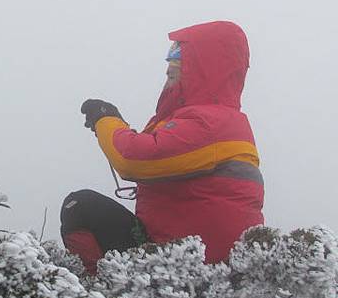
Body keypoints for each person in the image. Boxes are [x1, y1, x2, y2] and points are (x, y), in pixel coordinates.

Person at [61, 21, 264, 274]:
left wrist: (106, 120)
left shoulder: (211, 122)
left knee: (80, 207)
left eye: (179, 55)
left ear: (205, 66)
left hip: (189, 268)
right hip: (185, 257)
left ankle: (94, 293)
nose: (170, 63)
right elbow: (154, 150)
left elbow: (133, 159)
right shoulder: (209, 121)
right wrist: (116, 124)